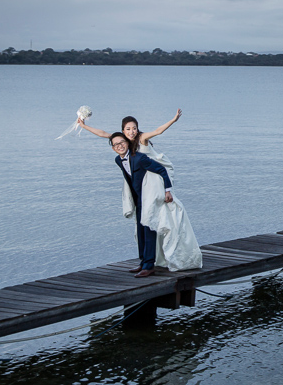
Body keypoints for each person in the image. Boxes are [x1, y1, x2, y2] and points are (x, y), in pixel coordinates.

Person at [82, 110, 203, 272]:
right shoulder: (122, 144)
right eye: (128, 129)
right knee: (141, 228)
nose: (132, 132)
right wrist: (84, 126)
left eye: (134, 128)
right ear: (123, 131)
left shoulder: (142, 139)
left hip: (153, 186)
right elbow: (103, 134)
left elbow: (158, 131)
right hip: (139, 191)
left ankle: (148, 265)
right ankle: (144, 262)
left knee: (150, 225)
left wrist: (173, 120)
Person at [110, 132, 174, 277]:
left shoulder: (139, 158)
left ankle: (149, 266)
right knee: (140, 232)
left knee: (148, 229)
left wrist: (167, 191)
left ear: (127, 143)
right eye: (116, 144)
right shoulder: (118, 160)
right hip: (138, 199)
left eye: (122, 142)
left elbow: (161, 169)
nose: (120, 146)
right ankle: (143, 262)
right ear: (113, 148)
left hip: (148, 198)